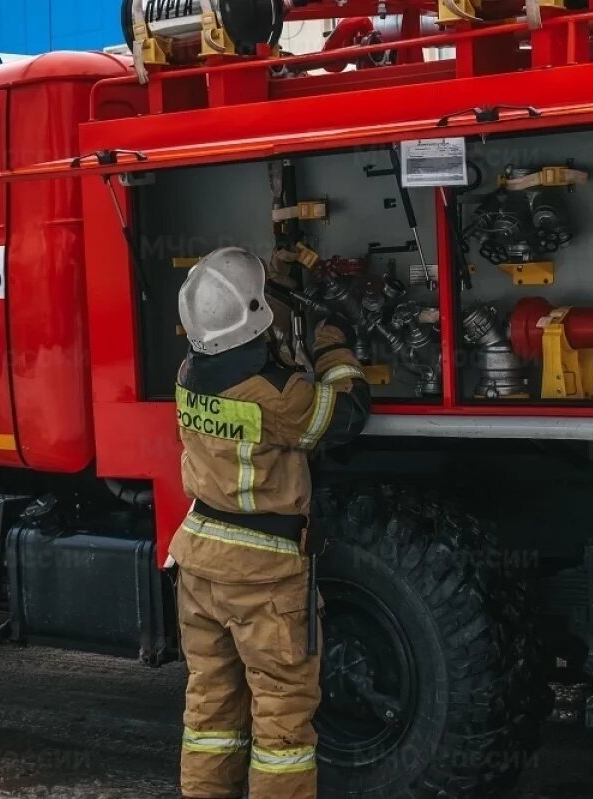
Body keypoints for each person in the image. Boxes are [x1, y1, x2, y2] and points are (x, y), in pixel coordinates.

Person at [169, 246, 371, 799]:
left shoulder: (189, 374)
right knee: (282, 721)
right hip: (263, 575)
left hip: (198, 564)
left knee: (210, 709)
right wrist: (333, 347)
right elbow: (346, 414)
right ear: (254, 316)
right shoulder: (279, 396)